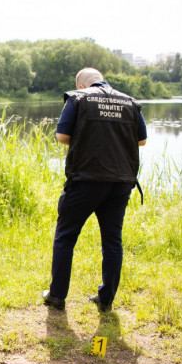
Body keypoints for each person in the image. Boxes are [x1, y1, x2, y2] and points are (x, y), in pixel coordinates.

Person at [43, 67, 147, 312]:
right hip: (120, 182)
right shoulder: (130, 102)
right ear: (101, 80)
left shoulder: (78, 99)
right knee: (112, 240)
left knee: (65, 236)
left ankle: (57, 296)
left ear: (82, 85)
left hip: (86, 179)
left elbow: (61, 135)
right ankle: (106, 299)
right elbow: (141, 141)